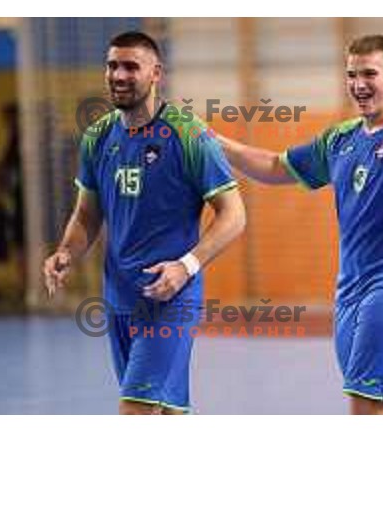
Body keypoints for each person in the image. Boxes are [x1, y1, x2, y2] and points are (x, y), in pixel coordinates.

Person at [218, 34, 383, 415]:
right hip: (351, 290)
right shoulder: (340, 139)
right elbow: (274, 166)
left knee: (365, 405)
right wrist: (213, 140)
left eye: (370, 73)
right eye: (351, 74)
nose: (358, 84)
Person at [43, 31, 245, 415]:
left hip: (170, 299)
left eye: (130, 67)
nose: (118, 75)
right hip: (118, 297)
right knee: (166, 411)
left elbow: (234, 214)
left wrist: (186, 267)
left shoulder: (188, 135)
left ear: (156, 74)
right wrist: (66, 251)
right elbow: (87, 213)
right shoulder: (97, 138)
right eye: (112, 65)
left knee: (135, 409)